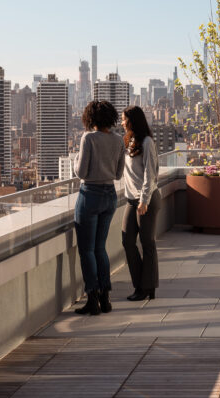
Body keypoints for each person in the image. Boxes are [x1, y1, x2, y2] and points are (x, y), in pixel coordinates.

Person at [73, 100, 125, 315]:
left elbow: (81, 172)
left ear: (89, 118)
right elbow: (119, 174)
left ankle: (92, 298)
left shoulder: (89, 138)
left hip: (90, 195)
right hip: (110, 196)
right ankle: (106, 297)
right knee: (100, 248)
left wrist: (76, 157)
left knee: (87, 251)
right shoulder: (118, 140)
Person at [121, 105, 161, 301]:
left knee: (147, 243)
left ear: (132, 121)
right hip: (131, 200)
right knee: (127, 241)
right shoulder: (129, 142)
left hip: (147, 199)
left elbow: (150, 174)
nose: (121, 123)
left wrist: (144, 200)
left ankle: (148, 288)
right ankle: (140, 285)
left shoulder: (147, 142)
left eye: (123, 119)